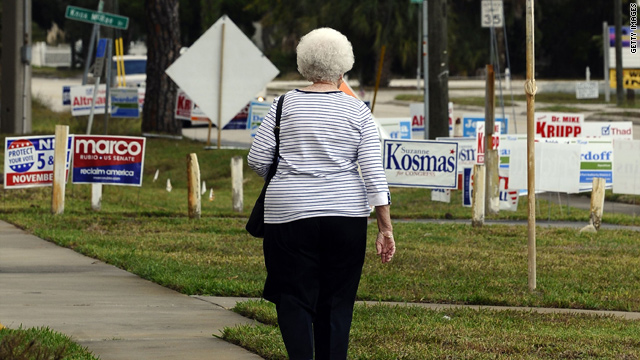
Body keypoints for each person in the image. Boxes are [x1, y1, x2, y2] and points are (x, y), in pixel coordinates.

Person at [247, 27, 395, 360]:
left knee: (293, 297)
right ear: (343, 69)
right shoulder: (358, 112)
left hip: (288, 216)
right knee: (337, 301)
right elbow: (374, 174)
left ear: (304, 63)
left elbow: (257, 160)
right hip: (346, 218)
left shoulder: (283, 105)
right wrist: (385, 228)